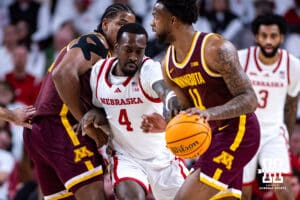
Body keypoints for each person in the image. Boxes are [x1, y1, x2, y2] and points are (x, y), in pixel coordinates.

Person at [143, 0, 261, 199]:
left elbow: (250, 100)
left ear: (172, 20)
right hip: (212, 137)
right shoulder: (168, 64)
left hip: (239, 133)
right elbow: (187, 111)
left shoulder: (217, 49)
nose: (151, 24)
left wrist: (209, 113)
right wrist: (167, 124)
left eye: (156, 17)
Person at [22, 3, 136, 200]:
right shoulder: (96, 42)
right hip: (61, 124)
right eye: (122, 24)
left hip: (40, 131)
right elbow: (63, 74)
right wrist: (85, 121)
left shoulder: (108, 60)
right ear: (105, 24)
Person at [81, 23, 188, 200]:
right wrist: (95, 115)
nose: (133, 56)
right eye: (128, 50)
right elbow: (102, 109)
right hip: (126, 157)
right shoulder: (98, 73)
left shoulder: (149, 69)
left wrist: (171, 100)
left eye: (139, 51)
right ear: (116, 47)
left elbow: (163, 89)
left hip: (162, 156)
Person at [238, 14, 300, 200]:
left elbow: (291, 105)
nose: (268, 41)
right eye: (263, 35)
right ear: (256, 37)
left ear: (281, 37)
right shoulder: (241, 59)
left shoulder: (292, 65)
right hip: (244, 134)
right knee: (242, 193)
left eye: (273, 36)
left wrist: (286, 138)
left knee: (284, 189)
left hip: (272, 136)